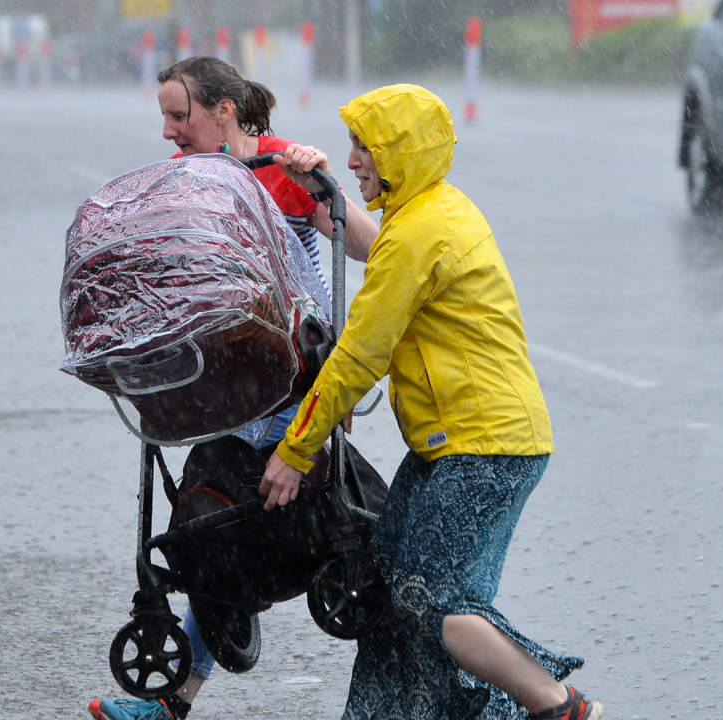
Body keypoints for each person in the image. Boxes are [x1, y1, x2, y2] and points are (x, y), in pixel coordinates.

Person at [260, 84, 604, 720]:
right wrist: (323, 193)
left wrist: (295, 448)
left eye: (365, 148)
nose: (355, 159)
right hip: (461, 443)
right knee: (393, 588)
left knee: (435, 600)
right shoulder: (430, 211)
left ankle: (560, 707)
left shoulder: (416, 234)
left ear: (400, 153)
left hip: (483, 446)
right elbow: (367, 243)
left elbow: (360, 356)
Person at [86, 56, 378, 720]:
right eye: (162, 116)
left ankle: (170, 703)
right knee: (222, 530)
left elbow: (367, 246)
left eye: (178, 115)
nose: (167, 131)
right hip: (225, 388)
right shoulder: (186, 184)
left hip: (289, 391)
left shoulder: (278, 170)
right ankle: (174, 697)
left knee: (225, 528)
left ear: (223, 112)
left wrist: (323, 182)